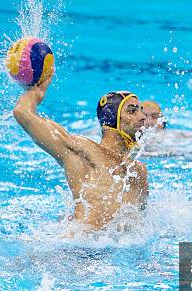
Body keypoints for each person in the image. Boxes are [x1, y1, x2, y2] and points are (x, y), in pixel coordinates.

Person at [13, 72, 148, 230]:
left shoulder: (139, 172)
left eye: (141, 110)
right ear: (112, 121)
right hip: (78, 251)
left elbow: (142, 226)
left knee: (185, 254)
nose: (143, 117)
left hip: (119, 251)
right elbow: (22, 113)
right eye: (132, 111)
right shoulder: (84, 152)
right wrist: (38, 91)